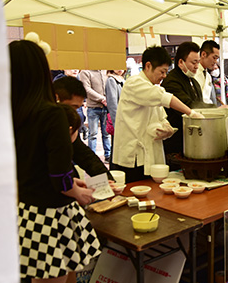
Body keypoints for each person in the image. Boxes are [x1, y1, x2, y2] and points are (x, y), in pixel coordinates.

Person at [10, 40, 101, 283]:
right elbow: (60, 175)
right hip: (52, 220)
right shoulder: (50, 114)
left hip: (27, 214)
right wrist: (78, 192)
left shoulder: (12, 113)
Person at [112, 46, 202, 182]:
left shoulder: (152, 87)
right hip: (132, 157)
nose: (164, 76)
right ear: (148, 66)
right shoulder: (134, 83)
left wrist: (167, 129)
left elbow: (161, 115)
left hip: (148, 156)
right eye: (162, 71)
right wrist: (191, 113)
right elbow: (164, 98)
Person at [53, 76, 117, 182]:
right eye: (72, 107)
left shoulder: (68, 123)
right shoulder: (42, 125)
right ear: (56, 98)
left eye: (78, 108)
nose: (74, 112)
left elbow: (85, 156)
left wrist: (107, 180)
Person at [161, 42, 215, 160]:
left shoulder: (193, 82)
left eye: (198, 62)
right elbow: (189, 106)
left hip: (191, 140)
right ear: (181, 62)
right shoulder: (172, 81)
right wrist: (215, 109)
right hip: (175, 144)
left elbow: (199, 104)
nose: (197, 66)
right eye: (193, 62)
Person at [79, 69, 111, 162]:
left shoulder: (106, 71)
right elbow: (87, 89)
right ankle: (92, 157)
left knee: (107, 134)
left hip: (106, 107)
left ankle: (108, 155)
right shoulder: (85, 72)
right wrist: (102, 99)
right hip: (93, 108)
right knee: (92, 134)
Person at [193, 40, 220, 104]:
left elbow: (207, 99)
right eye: (214, 58)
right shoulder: (193, 73)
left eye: (217, 59)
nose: (215, 62)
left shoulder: (208, 76)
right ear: (203, 54)